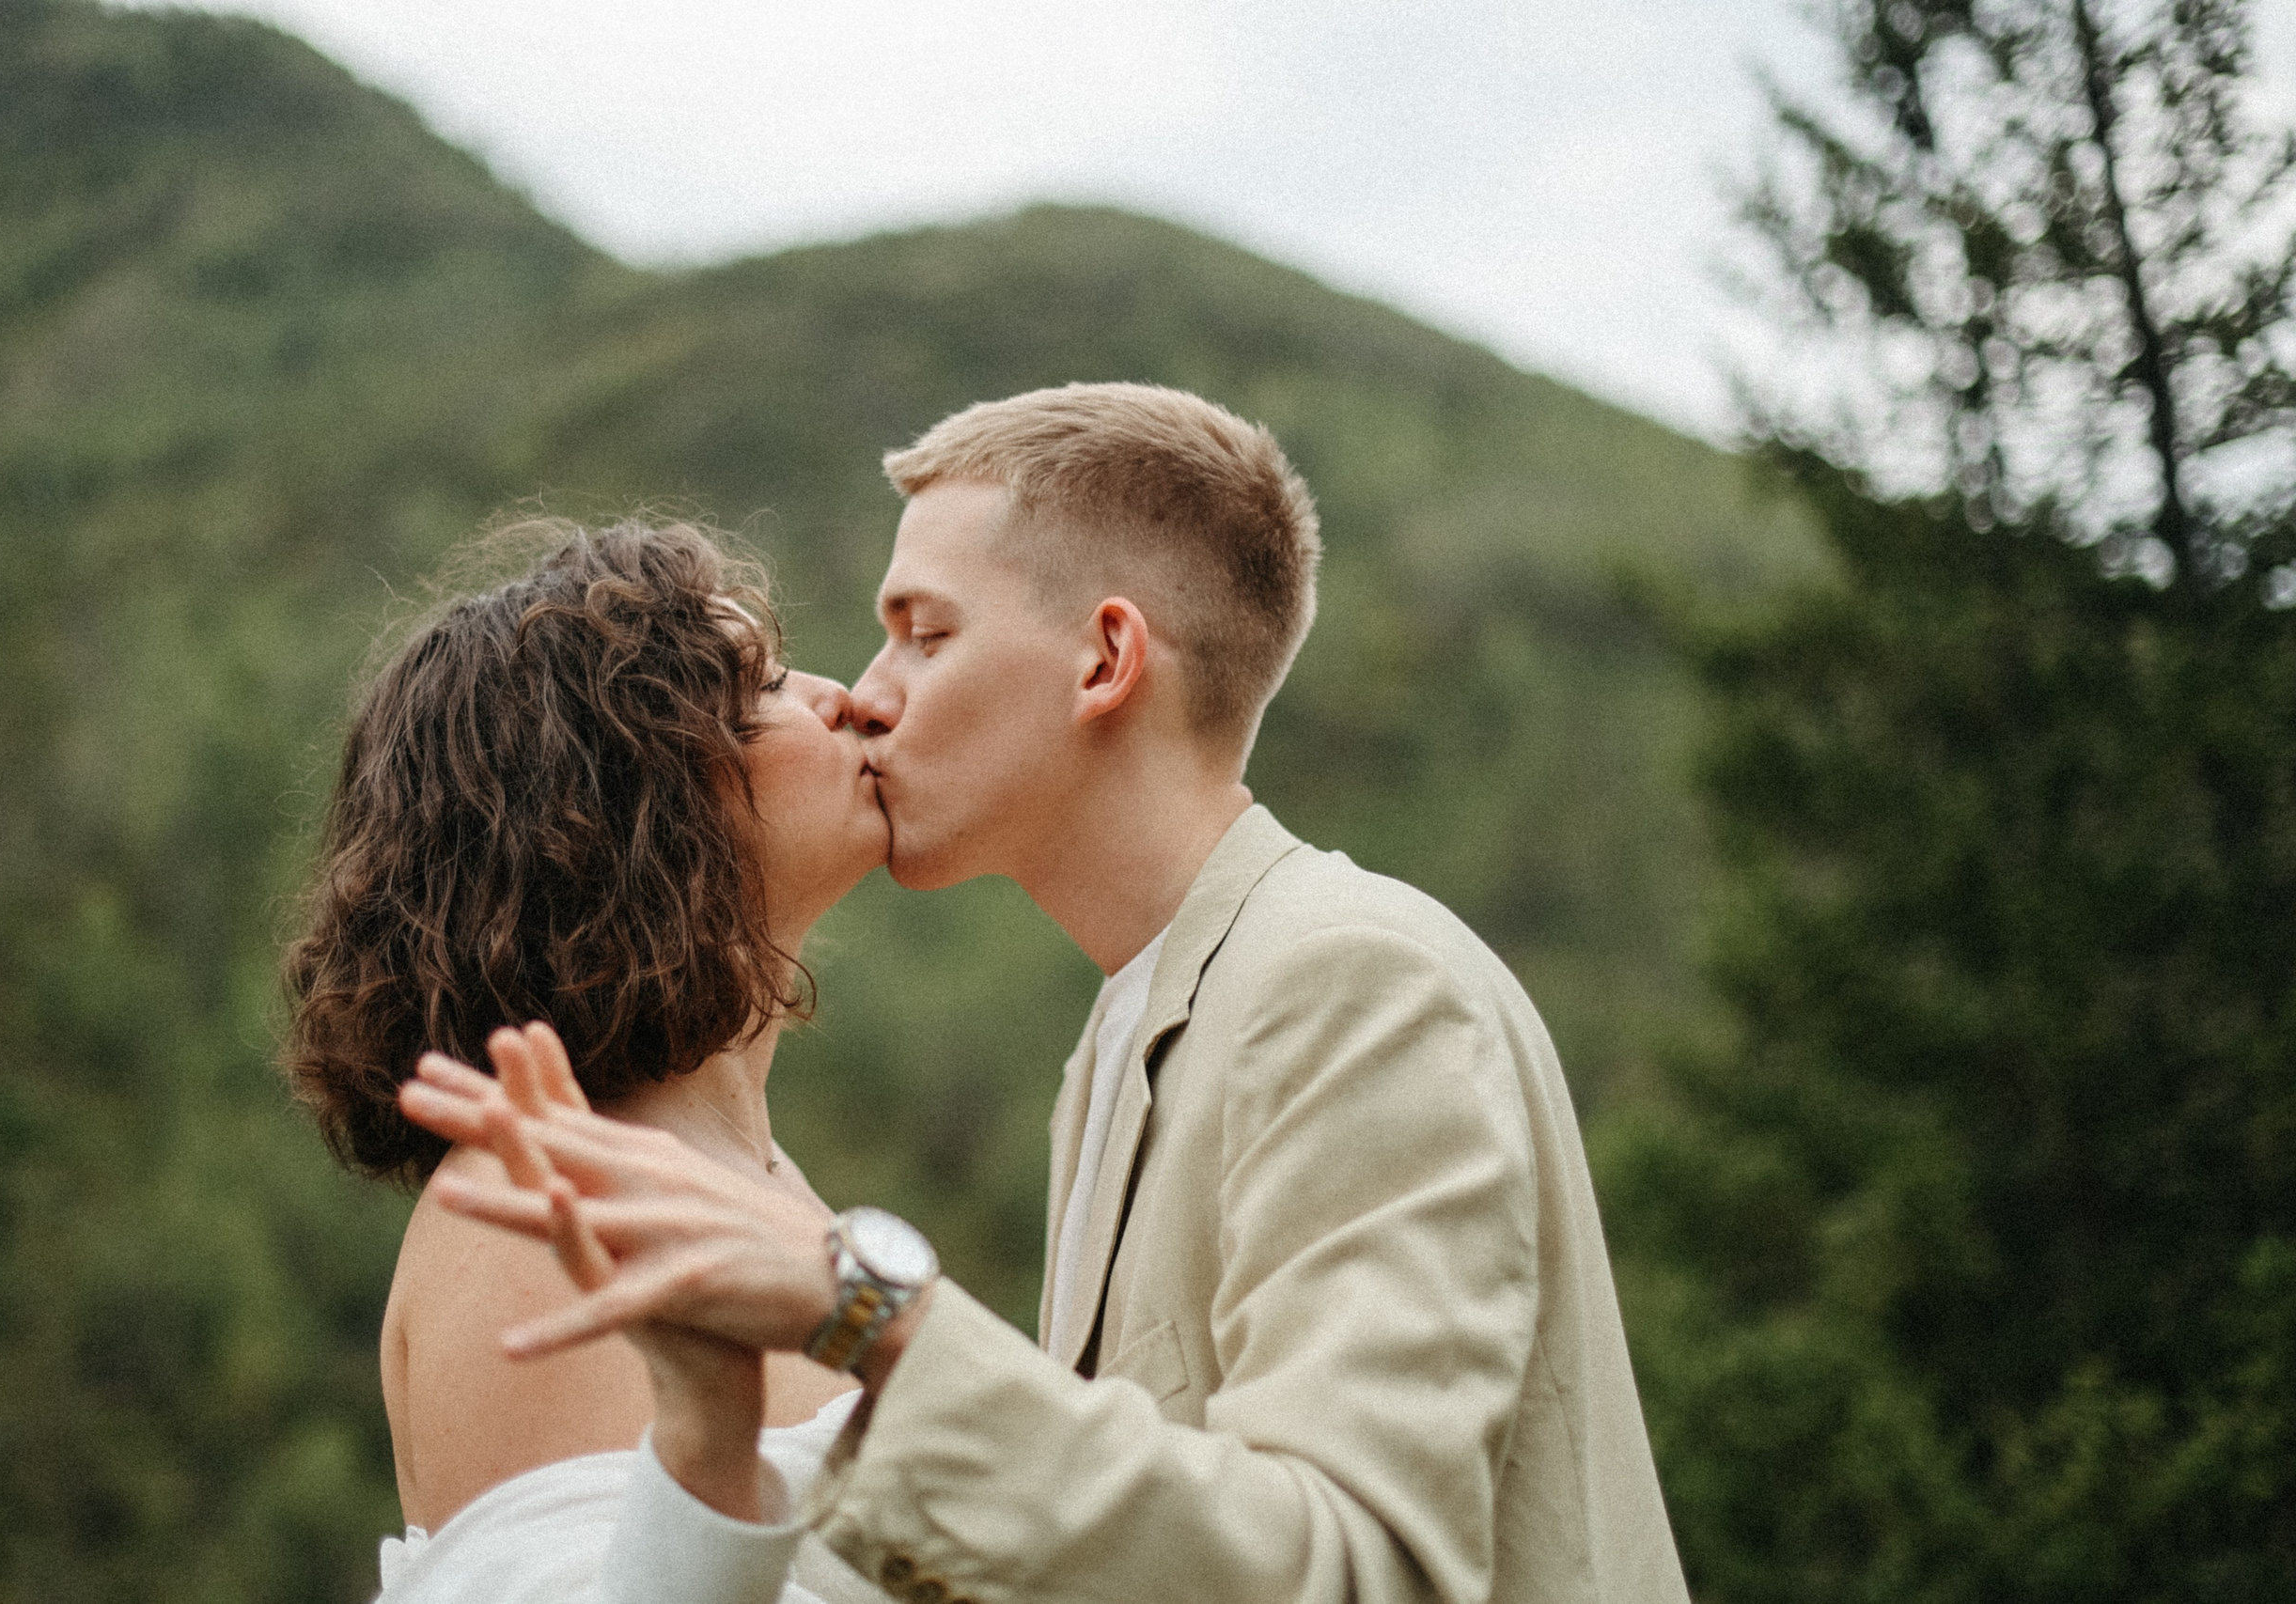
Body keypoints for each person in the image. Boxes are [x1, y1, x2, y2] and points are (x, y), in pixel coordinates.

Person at [406, 383, 1693, 1604]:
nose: (868, 690)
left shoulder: (1352, 982)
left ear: (1102, 660)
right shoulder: (1124, 1043)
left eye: (926, 630)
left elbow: (1362, 1567)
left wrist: (870, 1317)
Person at [280, 518, 895, 1602]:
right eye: (760, 690)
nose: (839, 695)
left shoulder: (737, 1177)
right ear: (633, 812)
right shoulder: (528, 1214)